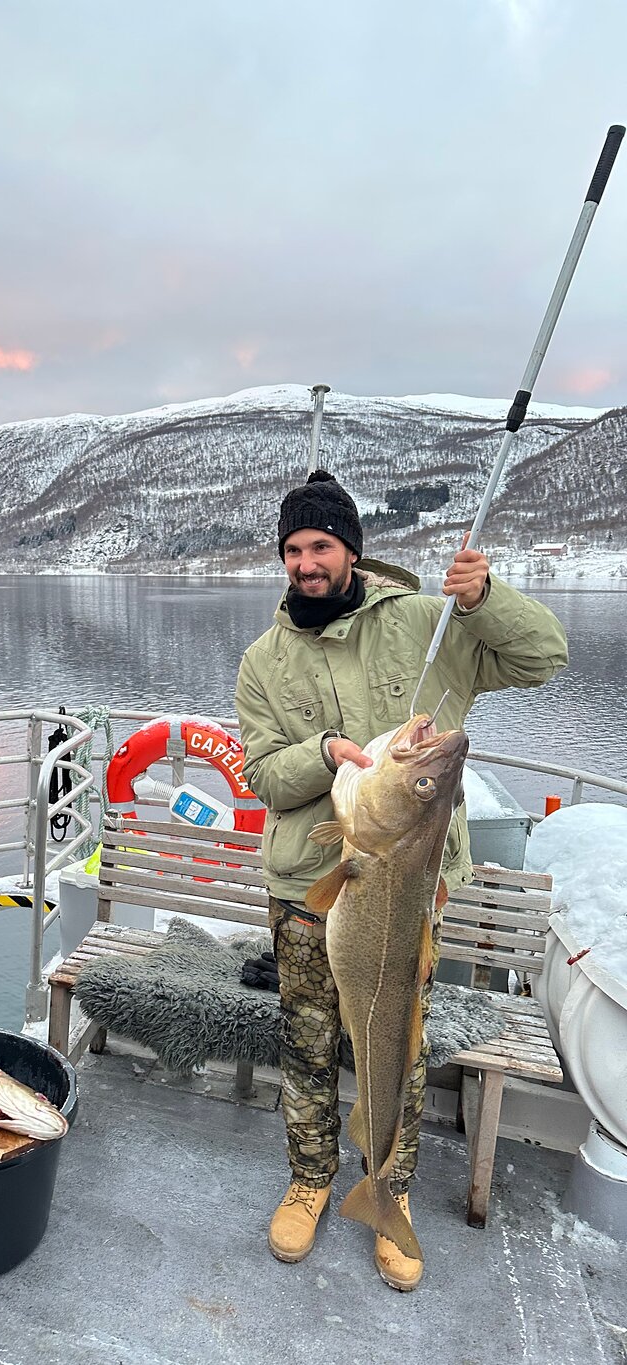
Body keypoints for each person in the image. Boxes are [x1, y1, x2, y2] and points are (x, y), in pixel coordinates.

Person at [235, 469, 567, 1292]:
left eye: (321, 545)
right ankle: (311, 1179)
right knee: (308, 1043)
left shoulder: (427, 621)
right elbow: (263, 775)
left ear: (352, 549)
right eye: (293, 549)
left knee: (400, 1044)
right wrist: (324, 754)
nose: (306, 563)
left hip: (408, 886)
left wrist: (484, 599)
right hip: (308, 889)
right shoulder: (264, 660)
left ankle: (390, 1190)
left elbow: (543, 655)